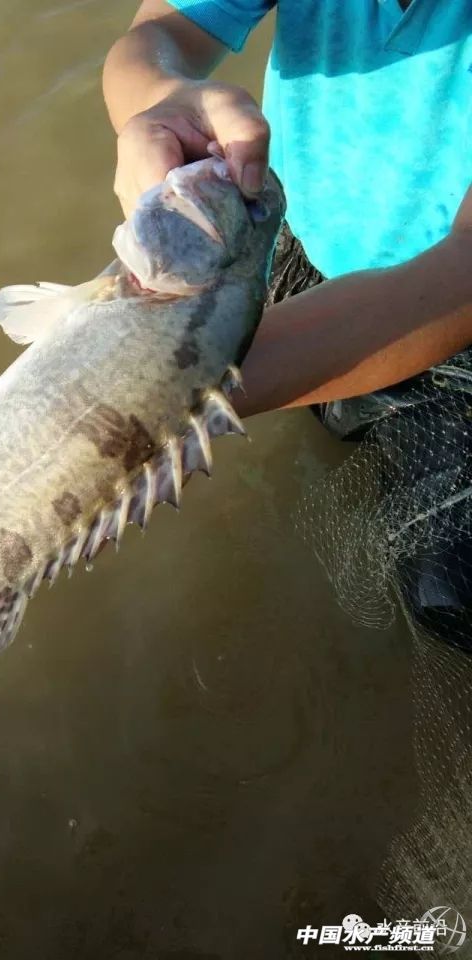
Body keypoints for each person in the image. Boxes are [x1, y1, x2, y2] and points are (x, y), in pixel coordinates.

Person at [103, 1, 472, 644]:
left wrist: (190, 386)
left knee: (449, 591)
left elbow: (460, 273)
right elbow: (158, 34)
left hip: (450, 313)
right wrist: (160, 101)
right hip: (297, 242)